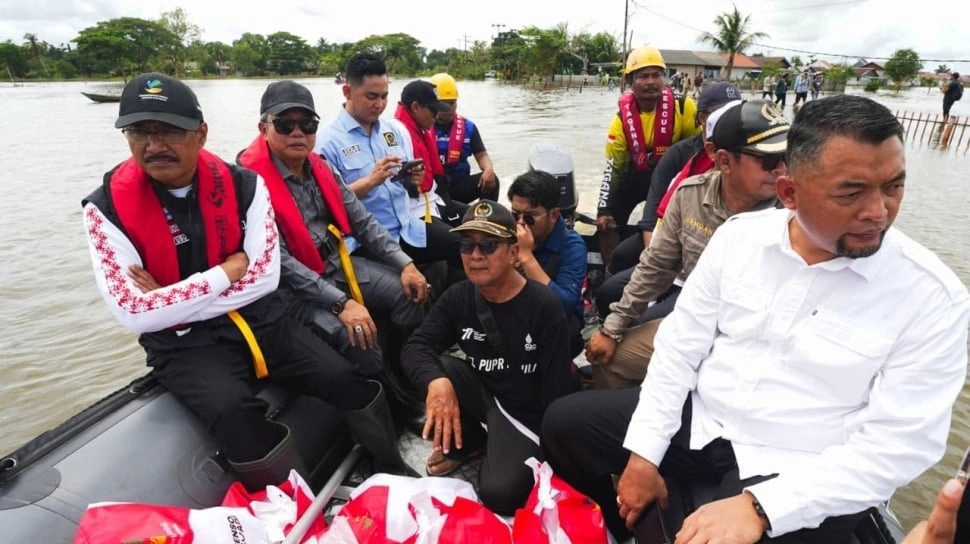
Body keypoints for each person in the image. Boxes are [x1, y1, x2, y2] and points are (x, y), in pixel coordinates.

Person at [542, 94, 970, 542]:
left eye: (893, 187)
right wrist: (645, 454)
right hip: (705, 417)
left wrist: (762, 508)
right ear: (789, 193)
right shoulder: (738, 240)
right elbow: (678, 351)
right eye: (851, 192)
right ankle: (615, 526)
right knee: (564, 425)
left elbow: (899, 445)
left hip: (800, 460)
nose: (878, 212)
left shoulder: (932, 297)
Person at [82, 73, 412, 490]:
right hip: (185, 344)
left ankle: (389, 465)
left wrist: (170, 299)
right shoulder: (104, 210)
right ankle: (292, 510)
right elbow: (134, 314)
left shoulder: (244, 186)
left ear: (200, 133)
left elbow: (264, 278)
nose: (154, 145)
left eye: (169, 131)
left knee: (345, 378)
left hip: (262, 317)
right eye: (139, 132)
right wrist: (227, 272)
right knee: (236, 415)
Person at [237, 80, 429, 417]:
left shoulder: (321, 168)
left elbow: (363, 221)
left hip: (336, 265)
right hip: (294, 291)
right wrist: (341, 303)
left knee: (412, 292)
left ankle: (402, 373)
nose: (298, 132)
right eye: (285, 124)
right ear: (263, 128)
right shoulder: (249, 184)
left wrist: (406, 264)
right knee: (356, 336)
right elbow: (278, 261)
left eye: (307, 124)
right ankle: (389, 406)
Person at [586, 99, 788, 390]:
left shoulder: (792, 210)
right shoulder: (690, 195)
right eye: (768, 161)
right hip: (697, 322)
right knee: (610, 358)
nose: (781, 170)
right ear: (722, 160)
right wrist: (612, 329)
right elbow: (656, 266)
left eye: (785, 157)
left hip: (758, 343)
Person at [401, 200, 574, 515]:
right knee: (430, 371)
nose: (476, 255)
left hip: (526, 413)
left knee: (500, 493)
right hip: (485, 389)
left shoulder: (544, 307)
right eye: (467, 245)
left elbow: (557, 392)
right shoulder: (458, 296)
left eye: (489, 245)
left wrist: (555, 454)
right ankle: (471, 442)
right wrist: (436, 383)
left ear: (512, 252)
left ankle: (498, 442)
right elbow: (416, 346)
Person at [316, 53, 461, 279]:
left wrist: (411, 179)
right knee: (414, 286)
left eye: (384, 96)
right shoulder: (326, 143)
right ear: (347, 91)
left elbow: (407, 188)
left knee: (466, 248)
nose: (379, 104)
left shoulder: (392, 131)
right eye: (371, 96)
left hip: (407, 228)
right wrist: (371, 181)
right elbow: (325, 205)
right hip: (368, 242)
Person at [600, 81, 742, 282]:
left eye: (737, 113)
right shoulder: (678, 155)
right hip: (672, 236)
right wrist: (657, 268)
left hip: (716, 248)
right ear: (702, 118)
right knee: (619, 263)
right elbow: (653, 216)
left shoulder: (747, 159)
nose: (732, 120)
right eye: (723, 114)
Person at [596, 45, 701, 262]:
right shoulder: (619, 122)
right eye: (643, 76)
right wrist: (603, 208)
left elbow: (697, 151)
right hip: (636, 176)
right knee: (606, 224)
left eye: (657, 75)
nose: (651, 81)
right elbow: (614, 168)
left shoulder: (684, 108)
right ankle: (609, 270)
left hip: (672, 179)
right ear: (629, 81)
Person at [506, 170, 587, 354]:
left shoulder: (572, 245)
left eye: (529, 217)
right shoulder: (507, 232)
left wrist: (527, 257)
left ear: (553, 215)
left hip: (554, 320)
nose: (520, 223)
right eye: (515, 214)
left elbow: (564, 305)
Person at [391, 79, 466, 226]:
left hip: (433, 199)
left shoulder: (421, 129)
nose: (437, 115)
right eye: (433, 110)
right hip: (415, 210)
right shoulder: (398, 132)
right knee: (457, 242)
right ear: (416, 107)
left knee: (486, 219)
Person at [430, 72, 500, 205]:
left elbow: (482, 155)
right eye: (444, 104)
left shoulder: (468, 127)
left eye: (452, 103)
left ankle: (484, 219)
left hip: (458, 186)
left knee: (492, 180)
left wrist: (488, 169)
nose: (449, 109)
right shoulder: (423, 127)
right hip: (433, 189)